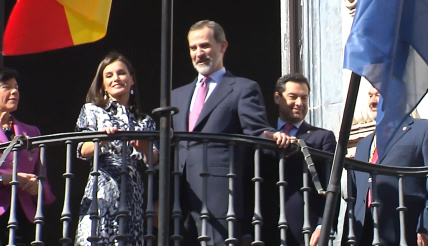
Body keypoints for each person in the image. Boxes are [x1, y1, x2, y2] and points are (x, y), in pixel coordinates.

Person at [171, 20, 292, 245]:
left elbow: (257, 130)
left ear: (223, 46)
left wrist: (273, 136)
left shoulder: (243, 88)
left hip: (220, 196)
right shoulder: (176, 96)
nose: (199, 53)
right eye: (193, 48)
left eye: (205, 46)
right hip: (180, 198)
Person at [348, 86, 428, 246]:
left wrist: (426, 228)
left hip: (408, 231)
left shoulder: (425, 130)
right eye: (370, 96)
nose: (373, 101)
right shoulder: (363, 144)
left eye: (378, 95)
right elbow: (355, 196)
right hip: (366, 234)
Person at [74, 52, 158, 245]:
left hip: (133, 196)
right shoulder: (92, 111)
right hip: (101, 192)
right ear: (102, 84)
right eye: (109, 75)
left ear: (132, 79)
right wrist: (102, 139)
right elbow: (81, 150)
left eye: (121, 73)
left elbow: (155, 159)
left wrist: (145, 147)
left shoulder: (144, 120)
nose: (116, 78)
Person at [272, 73, 336, 246]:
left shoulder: (322, 137)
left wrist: (324, 224)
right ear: (277, 98)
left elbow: (330, 183)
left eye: (304, 98)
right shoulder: (263, 135)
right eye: (293, 97)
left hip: (305, 230)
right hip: (265, 226)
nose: (300, 103)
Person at [0, 68, 56, 245]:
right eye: (6, 86)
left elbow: (43, 180)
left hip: (23, 219)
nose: (14, 91)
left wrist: (37, 186)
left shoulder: (31, 132)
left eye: (16, 87)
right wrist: (7, 178)